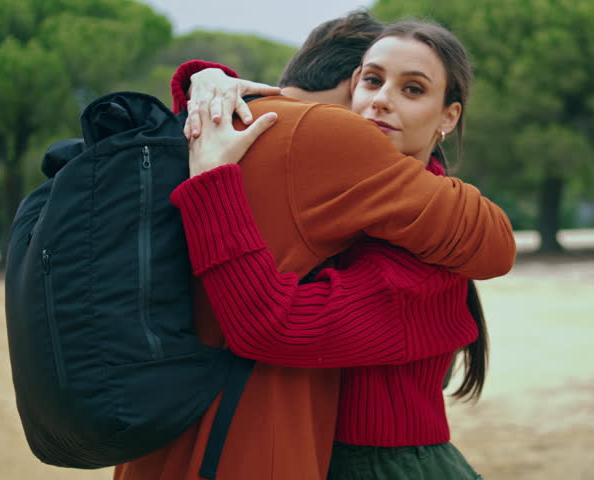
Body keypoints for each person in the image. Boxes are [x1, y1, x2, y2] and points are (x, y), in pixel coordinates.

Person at [114, 11, 514, 480]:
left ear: (448, 117)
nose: (383, 100)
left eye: (413, 89)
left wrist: (210, 184)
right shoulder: (346, 198)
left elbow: (273, 324)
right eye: (372, 80)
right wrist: (209, 86)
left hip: (391, 468)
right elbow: (287, 142)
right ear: (350, 92)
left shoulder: (426, 261)